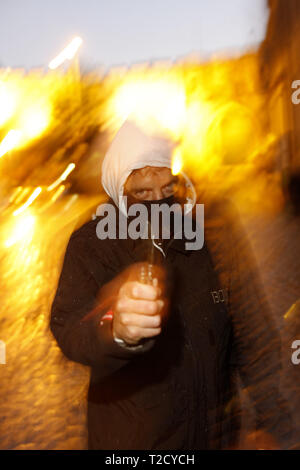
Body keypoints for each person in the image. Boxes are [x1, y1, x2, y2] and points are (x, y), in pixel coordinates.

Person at [50, 117, 292, 450]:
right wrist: (117, 330)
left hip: (214, 435)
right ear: (118, 186)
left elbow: (251, 328)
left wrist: (271, 419)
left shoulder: (212, 231)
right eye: (140, 189)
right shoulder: (92, 242)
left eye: (163, 184)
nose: (154, 199)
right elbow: (69, 328)